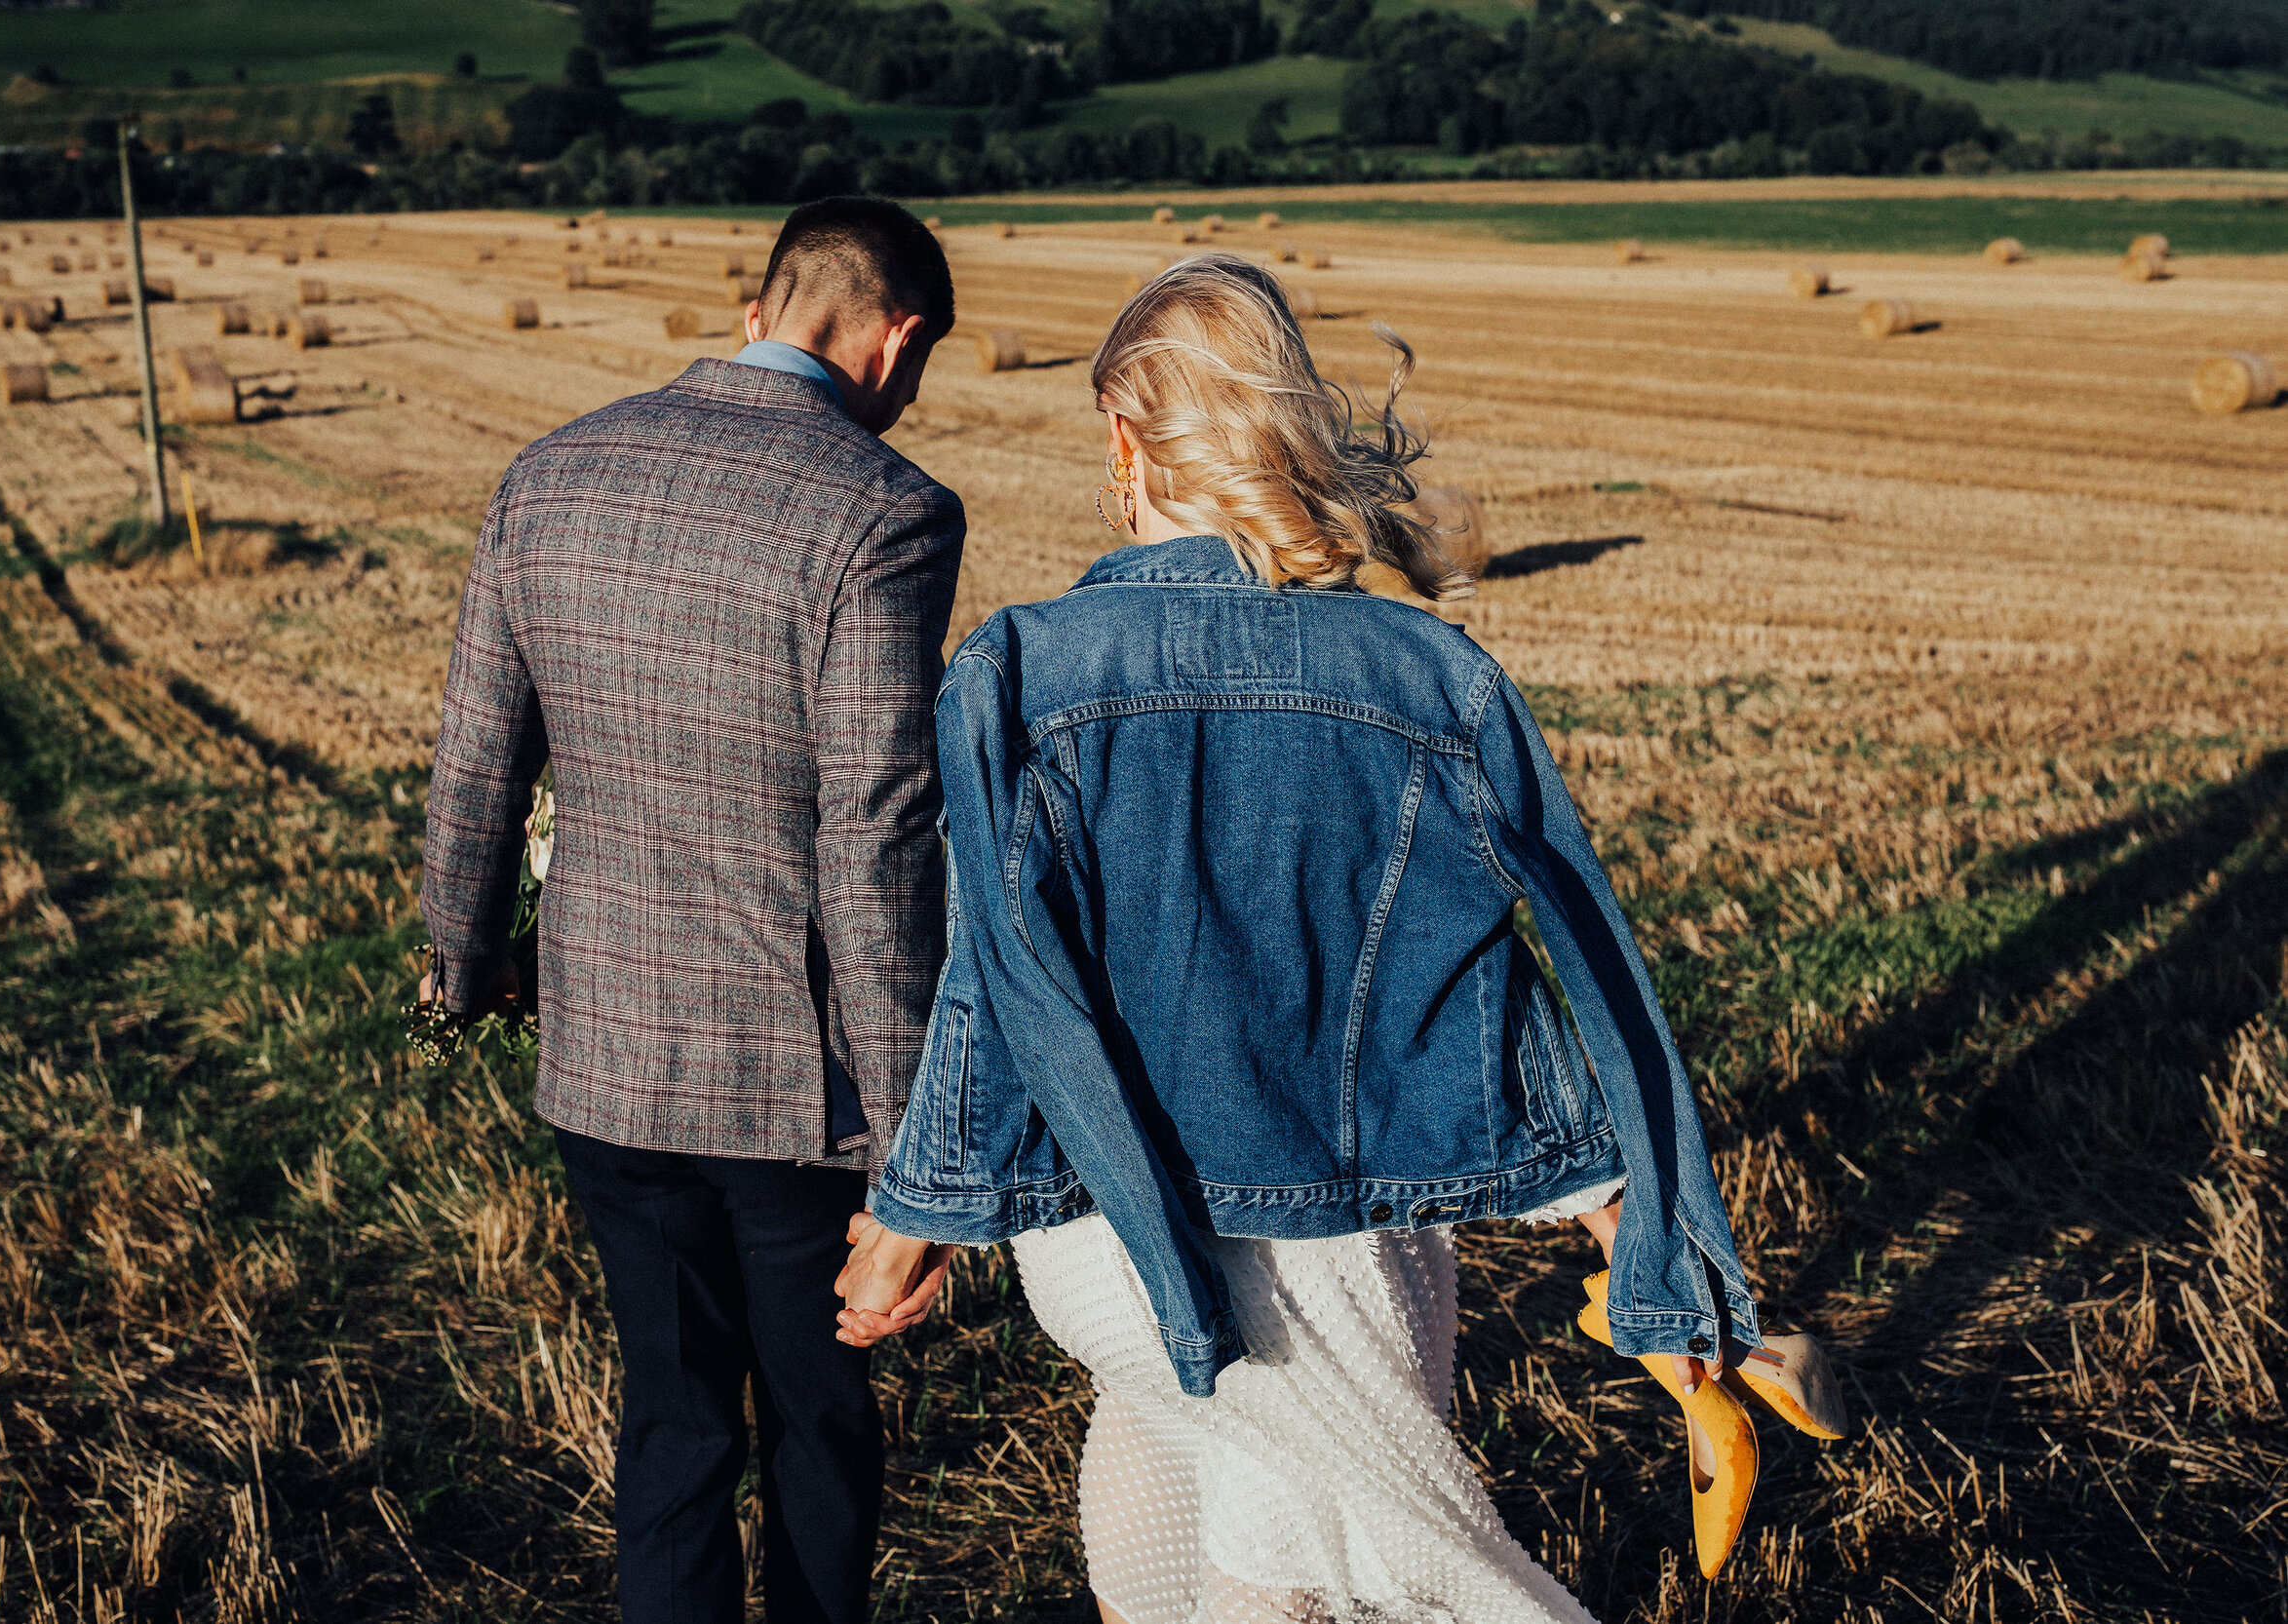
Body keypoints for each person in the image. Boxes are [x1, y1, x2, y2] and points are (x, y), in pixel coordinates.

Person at [836, 253, 1797, 1621]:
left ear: (1125, 438)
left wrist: (917, 1211)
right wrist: (1631, 1214)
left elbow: (1002, 988)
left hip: (1115, 1234)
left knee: (1181, 1483)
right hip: (1353, 1237)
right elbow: (1529, 973)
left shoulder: (1018, 670)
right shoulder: (1435, 673)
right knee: (1332, 1551)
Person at [420, 195, 963, 1624]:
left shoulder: (549, 474)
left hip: (602, 1060)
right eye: (918, 370)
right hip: (797, 1092)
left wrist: (463, 966)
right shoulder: (889, 514)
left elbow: (478, 755)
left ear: (759, 308)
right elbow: (880, 834)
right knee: (819, 1434)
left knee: (669, 1426)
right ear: (896, 339)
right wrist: (918, 1145)